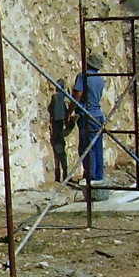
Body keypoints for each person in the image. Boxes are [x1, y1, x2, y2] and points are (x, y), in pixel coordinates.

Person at [72, 50, 105, 182]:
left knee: (87, 147)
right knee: (97, 147)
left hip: (87, 115)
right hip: (98, 115)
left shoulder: (83, 76)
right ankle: (98, 175)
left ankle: (90, 177)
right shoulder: (100, 80)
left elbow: (77, 95)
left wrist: (69, 112)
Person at [48, 78, 72, 181]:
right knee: (61, 151)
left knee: (58, 151)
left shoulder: (56, 97)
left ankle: (60, 175)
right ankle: (63, 173)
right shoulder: (62, 97)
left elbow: (51, 109)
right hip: (59, 124)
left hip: (56, 125)